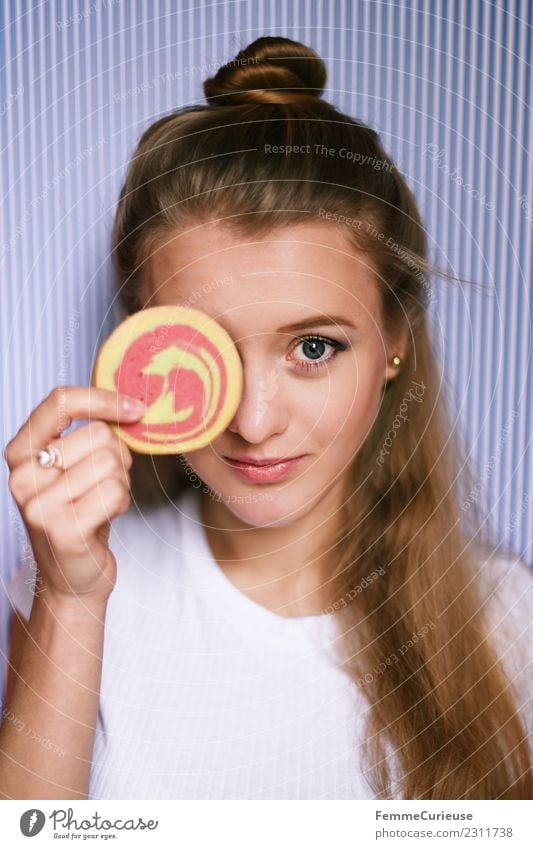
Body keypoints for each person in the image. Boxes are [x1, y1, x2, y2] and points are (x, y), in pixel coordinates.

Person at [1, 36, 531, 801]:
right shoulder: (70, 588)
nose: (252, 420)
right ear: (138, 342)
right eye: (206, 346)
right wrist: (71, 602)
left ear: (392, 344)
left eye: (312, 346)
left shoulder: (506, 620)